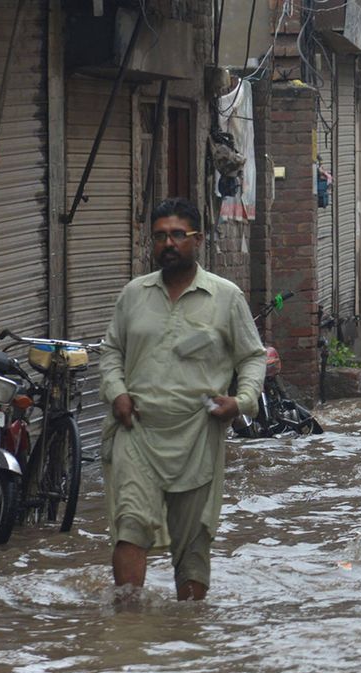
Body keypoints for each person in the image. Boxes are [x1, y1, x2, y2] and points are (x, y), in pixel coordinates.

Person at [99, 198, 267, 602]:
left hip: (197, 434)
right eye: (160, 236)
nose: (168, 243)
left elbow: (252, 357)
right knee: (130, 525)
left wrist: (241, 402)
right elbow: (110, 352)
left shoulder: (225, 297)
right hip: (136, 430)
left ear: (198, 240)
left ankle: (189, 635)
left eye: (177, 235)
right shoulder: (134, 295)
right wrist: (117, 393)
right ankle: (128, 629)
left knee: (193, 543)